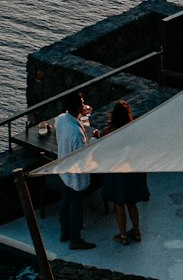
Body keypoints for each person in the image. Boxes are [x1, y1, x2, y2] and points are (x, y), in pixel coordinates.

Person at [53, 91, 96, 250]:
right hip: (75, 175)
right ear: (78, 107)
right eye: (82, 103)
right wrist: (94, 140)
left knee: (65, 201)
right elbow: (82, 156)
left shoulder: (61, 119)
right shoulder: (76, 133)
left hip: (64, 169)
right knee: (76, 208)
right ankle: (75, 239)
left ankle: (64, 232)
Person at [101, 99, 147, 244]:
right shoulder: (134, 130)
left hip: (116, 172)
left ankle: (123, 236)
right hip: (130, 171)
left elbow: (102, 148)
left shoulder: (109, 131)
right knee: (131, 203)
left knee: (119, 204)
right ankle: (137, 232)